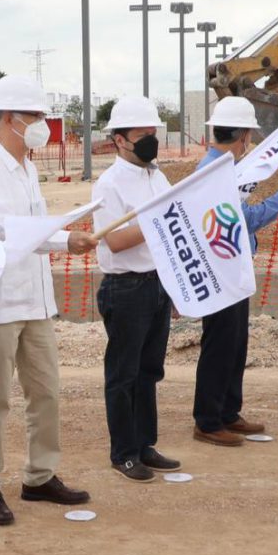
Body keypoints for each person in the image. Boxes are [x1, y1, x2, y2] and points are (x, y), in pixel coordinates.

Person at [0, 75, 99, 526]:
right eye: (36, 116)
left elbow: (33, 231)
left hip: (35, 302)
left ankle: (39, 476)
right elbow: (10, 232)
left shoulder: (30, 168)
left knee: (46, 393)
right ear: (9, 119)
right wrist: (65, 239)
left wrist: (61, 238)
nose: (42, 124)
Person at [192, 98, 278, 446]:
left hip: (233, 269)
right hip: (221, 272)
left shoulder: (226, 169)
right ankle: (208, 420)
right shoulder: (214, 173)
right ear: (244, 136)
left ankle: (228, 411)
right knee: (220, 344)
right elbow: (245, 220)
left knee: (234, 344)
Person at [91, 96, 181, 482]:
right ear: (119, 140)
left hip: (157, 285)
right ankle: (124, 452)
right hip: (125, 288)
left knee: (149, 372)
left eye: (153, 133)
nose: (150, 140)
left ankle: (145, 444)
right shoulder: (108, 184)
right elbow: (115, 241)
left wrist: (175, 285)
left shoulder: (156, 176)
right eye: (142, 134)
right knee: (123, 374)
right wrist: (156, 222)